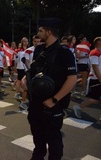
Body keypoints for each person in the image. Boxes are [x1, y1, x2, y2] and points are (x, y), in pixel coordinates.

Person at [25, 18, 77, 160]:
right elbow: (33, 70)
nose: (38, 33)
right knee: (38, 143)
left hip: (52, 106)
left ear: (49, 32)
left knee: (54, 145)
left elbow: (72, 79)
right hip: (35, 104)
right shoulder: (39, 50)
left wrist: (54, 99)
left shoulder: (64, 53)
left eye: (41, 30)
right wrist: (24, 81)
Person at [73, 37, 101, 119]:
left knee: (95, 99)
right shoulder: (94, 53)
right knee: (94, 99)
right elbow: (95, 67)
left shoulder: (99, 52)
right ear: (99, 42)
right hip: (95, 79)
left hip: (97, 78)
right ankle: (78, 107)